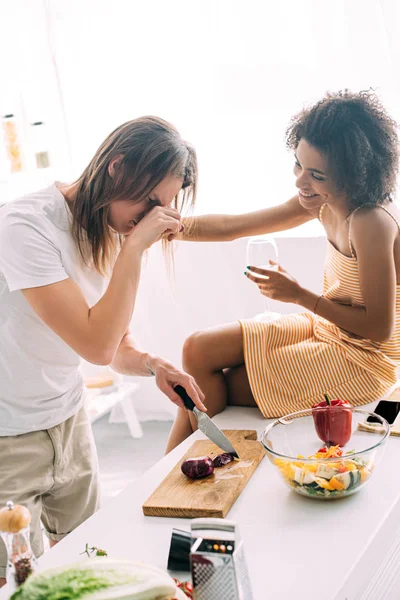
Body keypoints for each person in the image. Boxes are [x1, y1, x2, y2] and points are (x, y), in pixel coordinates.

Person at [0, 116, 206, 586]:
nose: (153, 216)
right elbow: (95, 345)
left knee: (88, 566)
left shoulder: (110, 229)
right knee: (22, 584)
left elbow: (115, 344)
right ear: (117, 167)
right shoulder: (23, 225)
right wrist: (134, 249)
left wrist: (153, 364)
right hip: (9, 440)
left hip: (71, 423)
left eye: (166, 205)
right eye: (151, 201)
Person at [166, 90, 400, 452]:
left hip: (365, 360)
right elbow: (233, 226)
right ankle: (174, 471)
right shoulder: (321, 201)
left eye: (316, 174)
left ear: (353, 176)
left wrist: (298, 295)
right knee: (198, 350)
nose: (300, 182)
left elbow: (379, 328)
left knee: (220, 385)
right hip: (327, 331)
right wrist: (165, 228)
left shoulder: (371, 222)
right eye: (298, 165)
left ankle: (178, 473)